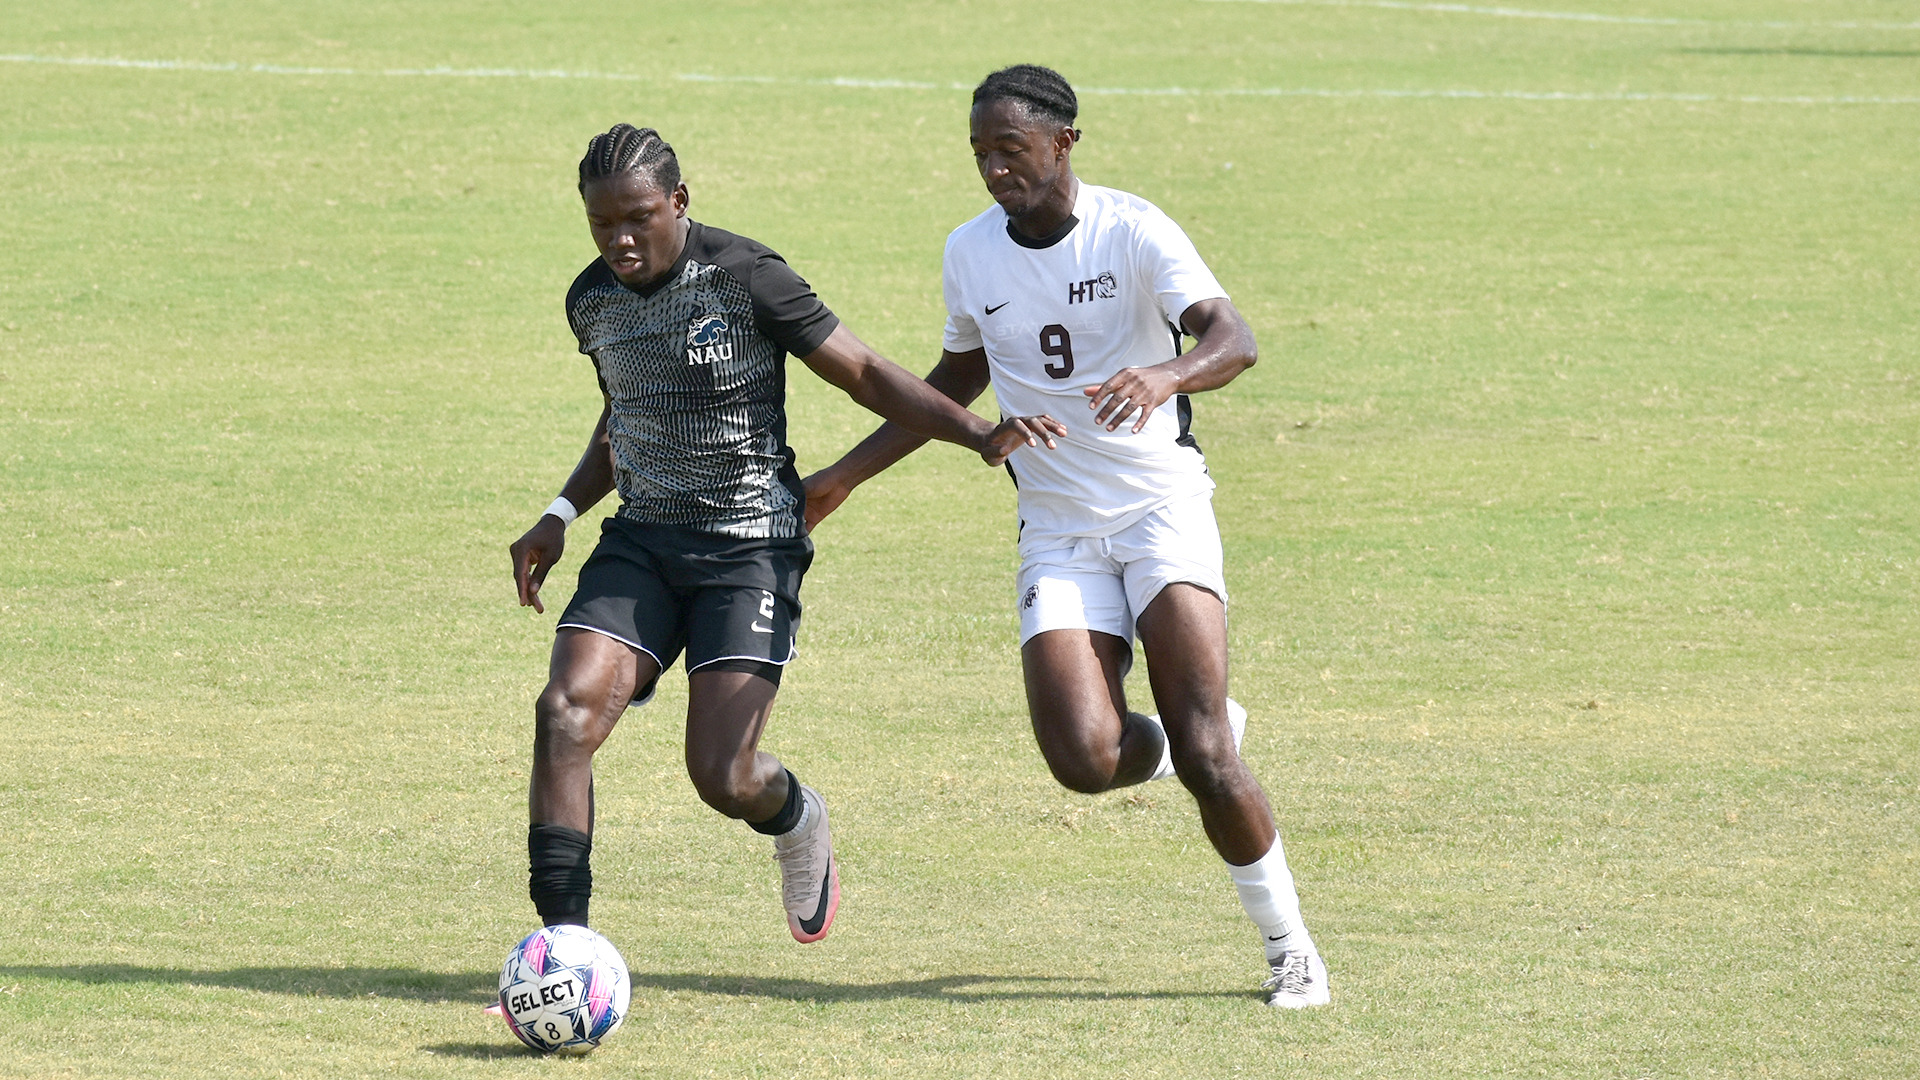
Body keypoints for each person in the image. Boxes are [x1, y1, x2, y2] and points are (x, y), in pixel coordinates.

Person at [803, 66, 1329, 1007]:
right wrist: (842, 477)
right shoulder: (971, 252)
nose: (994, 168)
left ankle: (1290, 947)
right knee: (1083, 761)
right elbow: (952, 380)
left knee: (1213, 753)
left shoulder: (1133, 228)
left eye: (1010, 149)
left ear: (1063, 143)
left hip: (1161, 509)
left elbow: (1233, 337)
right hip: (1056, 529)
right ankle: (1160, 745)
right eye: (979, 153)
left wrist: (1168, 376)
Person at [508, 124, 1064, 946]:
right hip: (644, 542)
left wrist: (976, 432)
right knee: (564, 716)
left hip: (749, 548)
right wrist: (559, 514)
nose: (620, 239)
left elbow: (866, 373)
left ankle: (798, 820)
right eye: (601, 224)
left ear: (679, 201)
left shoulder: (745, 277)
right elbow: (623, 413)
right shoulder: (590, 299)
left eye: (637, 217)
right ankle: (562, 949)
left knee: (723, 777)